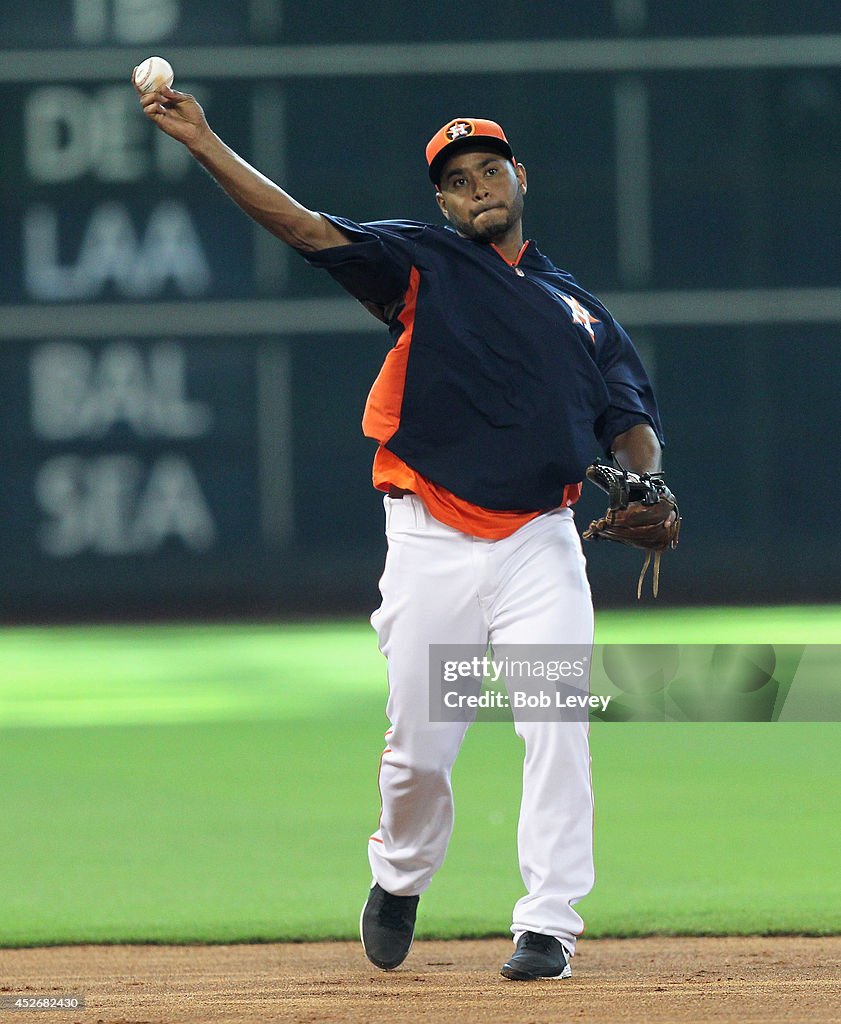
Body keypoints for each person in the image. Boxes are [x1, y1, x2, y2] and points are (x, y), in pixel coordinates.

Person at [135, 80, 666, 980]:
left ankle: (548, 923)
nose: (474, 187)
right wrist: (203, 143)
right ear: (442, 201)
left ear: (518, 177)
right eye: (455, 180)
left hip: (541, 540)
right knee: (420, 748)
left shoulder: (582, 312)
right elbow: (305, 229)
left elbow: (628, 417)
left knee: (555, 721)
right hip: (432, 539)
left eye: (488, 169)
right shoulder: (420, 262)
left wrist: (649, 478)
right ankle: (401, 874)